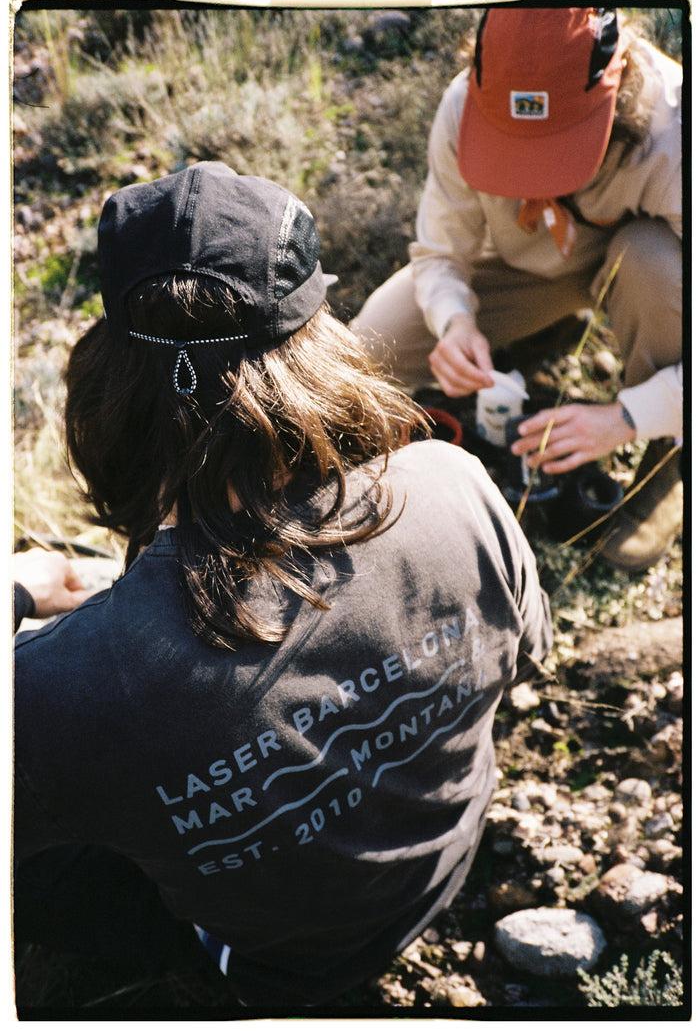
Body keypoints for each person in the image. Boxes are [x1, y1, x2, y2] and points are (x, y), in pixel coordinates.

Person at [13, 161, 551, 1010]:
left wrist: (22, 594)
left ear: (114, 385)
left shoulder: (65, 684)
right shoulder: (456, 484)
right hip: (442, 864)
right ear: (321, 345)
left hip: (280, 969)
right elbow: (522, 652)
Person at [354, 6, 683, 571]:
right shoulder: (466, 103)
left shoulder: (678, 127)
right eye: (515, 150)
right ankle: (548, 330)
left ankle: (674, 453)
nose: (534, 177)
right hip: (525, 271)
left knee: (651, 261)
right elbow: (440, 253)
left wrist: (631, 417)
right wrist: (455, 322)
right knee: (367, 347)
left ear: (618, 82)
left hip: (638, 269)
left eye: (556, 149)